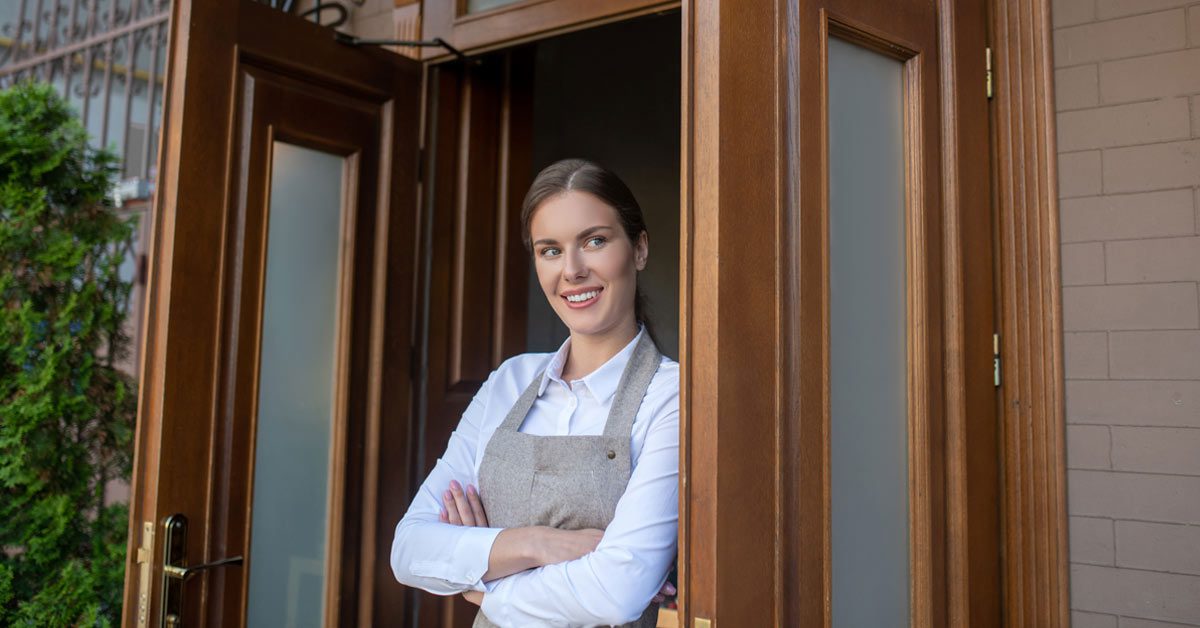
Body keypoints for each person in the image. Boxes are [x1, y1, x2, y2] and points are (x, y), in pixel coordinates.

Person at [390, 158, 679, 627]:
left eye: (595, 241)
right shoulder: (510, 381)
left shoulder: (673, 396)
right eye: (550, 250)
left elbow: (616, 592)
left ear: (639, 249)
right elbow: (409, 549)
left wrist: (486, 583)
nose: (572, 270)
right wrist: (539, 543)